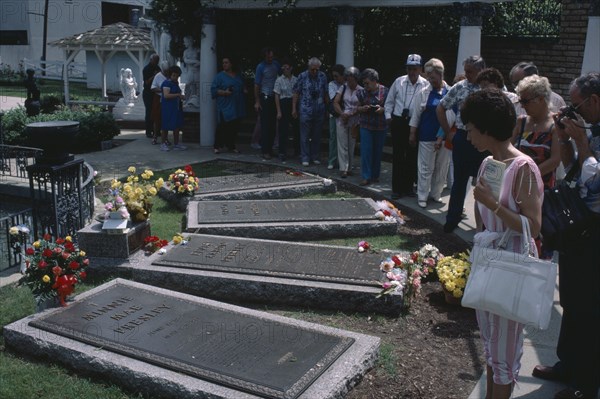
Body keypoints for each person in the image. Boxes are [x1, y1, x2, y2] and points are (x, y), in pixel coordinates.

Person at [466, 88, 544, 399]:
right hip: (490, 261)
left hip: (511, 267)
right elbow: (485, 217)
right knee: (491, 345)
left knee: (505, 350)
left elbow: (533, 228)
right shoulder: (488, 164)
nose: (468, 134)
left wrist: (493, 205)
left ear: (486, 127)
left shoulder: (522, 167)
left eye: (471, 128)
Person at [533, 72, 600, 399]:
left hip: (596, 233)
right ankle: (567, 364)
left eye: (576, 106)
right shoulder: (591, 128)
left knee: (589, 308)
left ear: (595, 101)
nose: (574, 113)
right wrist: (564, 138)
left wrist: (584, 144)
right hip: (578, 230)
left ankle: (586, 386)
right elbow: (574, 168)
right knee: (572, 299)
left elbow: (597, 186)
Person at [436, 55, 487, 233]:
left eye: (470, 72)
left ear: (481, 71)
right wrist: (448, 132)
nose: (467, 75)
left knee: (484, 184)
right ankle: (453, 218)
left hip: (484, 140)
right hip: (463, 138)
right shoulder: (460, 87)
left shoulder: (490, 87)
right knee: (459, 181)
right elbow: (441, 107)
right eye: (465, 71)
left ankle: (483, 225)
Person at [409, 58, 451, 208]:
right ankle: (422, 195)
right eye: (428, 76)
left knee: (442, 167)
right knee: (426, 167)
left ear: (440, 75)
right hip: (426, 135)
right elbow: (416, 115)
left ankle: (436, 194)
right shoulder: (423, 92)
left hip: (446, 136)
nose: (429, 80)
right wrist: (412, 133)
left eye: (432, 77)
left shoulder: (450, 92)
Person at [385, 54, 428, 199]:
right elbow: (389, 101)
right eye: (409, 68)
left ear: (421, 69)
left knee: (412, 156)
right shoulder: (399, 82)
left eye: (415, 69)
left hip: (414, 122)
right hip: (398, 121)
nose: (412, 72)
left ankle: (409, 188)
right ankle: (397, 189)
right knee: (398, 156)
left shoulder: (425, 84)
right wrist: (388, 117)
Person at [512, 74, 560, 189]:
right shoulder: (521, 122)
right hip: (517, 185)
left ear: (541, 99)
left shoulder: (555, 124)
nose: (522, 106)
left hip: (542, 188)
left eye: (525, 101)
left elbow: (555, 160)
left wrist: (528, 176)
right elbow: (507, 148)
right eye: (520, 101)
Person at [292, 57, 329, 166]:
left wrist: (328, 108)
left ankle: (315, 156)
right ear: (308, 68)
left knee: (317, 134)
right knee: (304, 135)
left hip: (319, 109)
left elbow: (326, 93)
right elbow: (296, 93)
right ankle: (305, 157)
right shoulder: (302, 76)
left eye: (317, 69)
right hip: (305, 110)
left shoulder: (323, 76)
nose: (314, 71)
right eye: (312, 69)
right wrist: (294, 108)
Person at [356, 68, 389, 186]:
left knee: (377, 152)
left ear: (375, 81)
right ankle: (366, 176)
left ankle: (375, 175)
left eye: (367, 83)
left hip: (381, 126)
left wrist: (383, 109)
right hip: (366, 125)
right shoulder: (361, 92)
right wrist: (363, 109)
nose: (365, 86)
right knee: (366, 151)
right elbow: (357, 108)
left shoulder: (385, 91)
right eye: (363, 83)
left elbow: (390, 107)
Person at [211, 56, 246, 154]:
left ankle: (231, 145)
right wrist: (224, 92)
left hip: (237, 104)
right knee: (222, 125)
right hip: (225, 105)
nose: (224, 64)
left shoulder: (238, 76)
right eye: (223, 63)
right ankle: (217, 146)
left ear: (231, 64)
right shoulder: (219, 76)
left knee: (234, 126)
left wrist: (244, 90)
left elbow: (242, 86)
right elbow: (213, 90)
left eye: (226, 62)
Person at [333, 66, 362, 178]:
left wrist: (351, 114)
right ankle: (343, 168)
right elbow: (336, 102)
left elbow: (360, 106)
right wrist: (342, 114)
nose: (349, 82)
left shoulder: (360, 90)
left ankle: (349, 167)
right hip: (342, 118)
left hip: (354, 120)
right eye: (348, 79)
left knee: (351, 144)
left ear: (356, 79)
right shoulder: (343, 88)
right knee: (342, 144)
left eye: (352, 80)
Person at [254, 47, 281, 160]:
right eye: (268, 56)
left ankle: (270, 149)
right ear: (264, 56)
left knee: (272, 126)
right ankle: (265, 150)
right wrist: (257, 101)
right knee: (265, 125)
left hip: (274, 96)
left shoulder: (276, 64)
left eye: (271, 56)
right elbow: (256, 85)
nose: (270, 58)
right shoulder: (260, 67)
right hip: (265, 96)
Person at [274, 58, 299, 163]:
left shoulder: (295, 79)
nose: (285, 70)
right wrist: (279, 111)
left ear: (291, 68)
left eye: (287, 68)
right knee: (283, 130)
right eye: (283, 68)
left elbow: (296, 94)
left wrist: (294, 108)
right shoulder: (279, 80)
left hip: (293, 103)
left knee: (296, 129)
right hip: (283, 103)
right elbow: (277, 95)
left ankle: (297, 151)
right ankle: (282, 152)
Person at [160, 65, 186, 152]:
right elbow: (166, 95)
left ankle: (176, 144)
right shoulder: (166, 83)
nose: (175, 77)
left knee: (177, 126)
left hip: (176, 107)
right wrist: (178, 95)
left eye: (177, 76)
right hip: (167, 108)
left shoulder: (176, 83)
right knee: (165, 126)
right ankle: (163, 143)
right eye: (174, 75)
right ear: (170, 75)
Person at [327, 64, 346, 170]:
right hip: (334, 115)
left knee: (343, 139)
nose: (335, 78)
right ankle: (332, 160)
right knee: (333, 138)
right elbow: (333, 99)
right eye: (333, 76)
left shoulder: (348, 84)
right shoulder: (331, 84)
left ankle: (342, 162)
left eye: (337, 76)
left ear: (343, 75)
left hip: (345, 114)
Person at [150, 61, 169, 145]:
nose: (166, 72)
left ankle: (165, 138)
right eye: (165, 70)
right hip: (158, 99)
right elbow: (153, 88)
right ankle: (155, 137)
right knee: (156, 118)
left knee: (166, 119)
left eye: (167, 70)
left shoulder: (170, 76)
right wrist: (162, 90)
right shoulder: (158, 76)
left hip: (167, 99)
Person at [142, 54, 161, 138]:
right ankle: (148, 131)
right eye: (155, 60)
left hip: (156, 93)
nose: (156, 62)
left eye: (157, 61)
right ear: (151, 60)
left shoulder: (158, 68)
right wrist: (155, 75)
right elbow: (146, 82)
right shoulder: (146, 69)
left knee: (157, 111)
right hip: (148, 93)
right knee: (149, 112)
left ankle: (156, 131)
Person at [181, 36, 200, 109]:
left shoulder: (197, 50)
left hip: (197, 70)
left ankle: (197, 101)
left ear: (189, 42)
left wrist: (199, 63)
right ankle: (188, 101)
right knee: (189, 86)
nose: (184, 43)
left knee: (197, 85)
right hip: (190, 71)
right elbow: (186, 60)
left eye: (185, 41)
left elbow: (202, 59)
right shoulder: (185, 52)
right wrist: (195, 61)